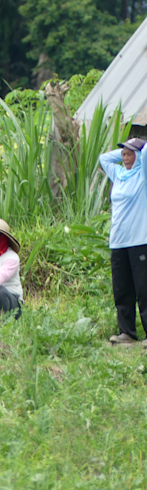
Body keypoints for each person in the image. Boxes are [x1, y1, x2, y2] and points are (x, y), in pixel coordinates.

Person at [99, 137, 147, 345]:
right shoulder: (118, 174)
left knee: (143, 288)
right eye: (124, 154)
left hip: (140, 240)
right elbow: (103, 158)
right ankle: (126, 333)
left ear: (139, 156)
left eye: (130, 154)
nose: (126, 158)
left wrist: (140, 146)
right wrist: (126, 149)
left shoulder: (143, 174)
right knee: (122, 288)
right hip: (118, 241)